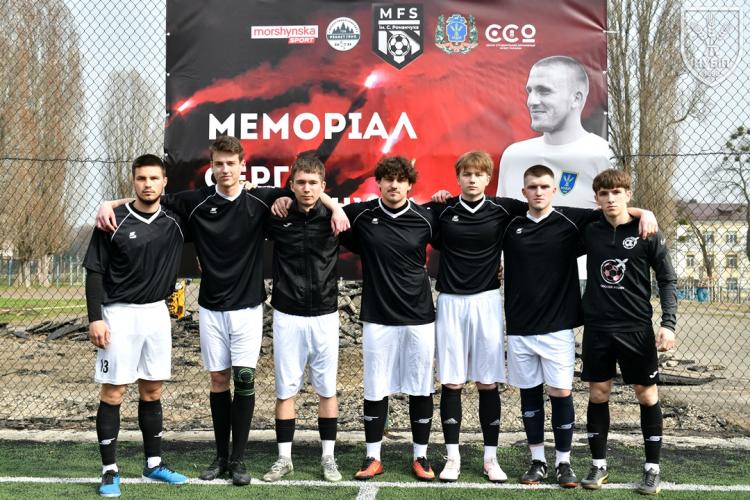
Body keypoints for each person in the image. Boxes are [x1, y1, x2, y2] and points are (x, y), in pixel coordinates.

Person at [96, 136, 348, 486]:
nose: (225, 169)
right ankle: (220, 457)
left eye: (231, 163)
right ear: (211, 166)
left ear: (243, 166)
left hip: (248, 307)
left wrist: (335, 207)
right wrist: (109, 202)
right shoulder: (196, 202)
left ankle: (238, 460)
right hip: (211, 307)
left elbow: (308, 189)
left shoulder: (263, 199)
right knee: (218, 381)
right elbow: (149, 198)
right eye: (219, 163)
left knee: (244, 379)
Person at [501, 165, 656, 489]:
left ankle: (564, 463)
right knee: (529, 394)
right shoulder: (510, 220)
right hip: (520, 327)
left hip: (559, 326)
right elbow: (477, 214)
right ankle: (537, 461)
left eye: (544, 186)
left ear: (554, 190)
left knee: (561, 392)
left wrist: (645, 212)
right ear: (523, 191)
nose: (538, 192)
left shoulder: (571, 221)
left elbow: (614, 210)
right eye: (532, 187)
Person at [84, 154, 188, 497]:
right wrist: (95, 318)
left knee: (152, 390)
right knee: (114, 391)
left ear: (164, 182)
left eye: (154, 178)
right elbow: (95, 272)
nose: (148, 184)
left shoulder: (175, 220)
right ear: (133, 181)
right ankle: (109, 471)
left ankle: (153, 464)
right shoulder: (112, 220)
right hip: (118, 315)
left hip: (156, 313)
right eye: (141, 178)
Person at [426, 151, 527, 483]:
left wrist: (640, 211)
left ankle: (490, 459)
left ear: (488, 178)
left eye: (478, 174)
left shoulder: (504, 209)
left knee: (487, 382)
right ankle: (452, 458)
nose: (472, 179)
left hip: (486, 302)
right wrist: (437, 198)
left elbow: (544, 209)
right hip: (451, 302)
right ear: (458, 178)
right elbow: (408, 214)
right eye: (466, 174)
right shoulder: (443, 210)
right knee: (452, 381)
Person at [340, 157, 439, 481]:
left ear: (409, 185)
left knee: (420, 387)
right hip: (378, 316)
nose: (394, 185)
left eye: (400, 179)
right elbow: (328, 214)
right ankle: (373, 456)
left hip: (418, 316)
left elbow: (462, 240)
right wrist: (329, 203)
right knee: (375, 387)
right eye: (388, 179)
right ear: (379, 183)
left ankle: (420, 456)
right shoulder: (362, 215)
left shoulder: (426, 217)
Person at [579, 169, 677, 495]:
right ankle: (598, 466)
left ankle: (652, 470)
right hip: (598, 328)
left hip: (636, 328)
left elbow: (667, 279)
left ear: (628, 194)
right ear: (597, 198)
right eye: (604, 194)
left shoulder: (647, 231)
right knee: (598, 394)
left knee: (647, 395)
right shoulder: (589, 228)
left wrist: (668, 324)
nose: (611, 199)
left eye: (617, 193)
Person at [261, 154, 342, 483]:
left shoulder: (335, 218)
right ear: (291, 185)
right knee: (285, 390)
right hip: (287, 314)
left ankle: (328, 457)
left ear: (323, 186)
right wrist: (279, 199)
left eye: (313, 183)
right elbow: (251, 194)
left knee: (327, 389)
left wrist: (335, 207)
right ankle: (284, 459)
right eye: (301, 183)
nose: (307, 189)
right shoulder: (277, 215)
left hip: (325, 314)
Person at [496, 55, 610, 208]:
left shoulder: (602, 153)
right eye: (530, 91)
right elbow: (501, 214)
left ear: (576, 99)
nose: (531, 101)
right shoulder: (513, 155)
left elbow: (618, 213)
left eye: (544, 91)